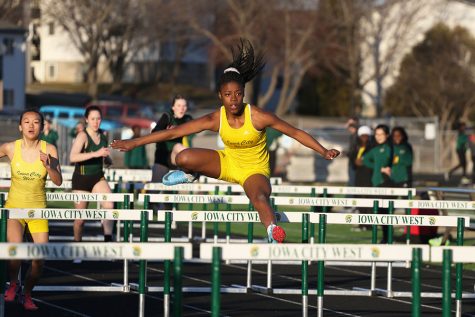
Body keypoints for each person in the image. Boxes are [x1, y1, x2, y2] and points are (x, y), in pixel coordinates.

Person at [111, 39, 340, 243]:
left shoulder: (258, 116)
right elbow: (172, 133)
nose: (234, 100)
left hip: (254, 170)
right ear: (220, 96)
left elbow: (295, 133)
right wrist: (134, 143)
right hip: (228, 162)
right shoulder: (215, 118)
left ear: (243, 93)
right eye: (228, 95)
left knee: (259, 197)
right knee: (183, 156)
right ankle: (191, 173)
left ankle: (272, 230)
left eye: (238, 94)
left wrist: (323, 151)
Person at [1, 109, 62, 311]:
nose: (31, 125)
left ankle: (26, 293)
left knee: (39, 260)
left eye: (36, 122)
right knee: (15, 249)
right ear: (20, 126)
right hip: (15, 209)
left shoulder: (50, 149)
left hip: (38, 211)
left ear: (42, 127)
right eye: (26, 122)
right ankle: (13, 284)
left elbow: (58, 181)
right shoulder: (11, 148)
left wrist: (48, 166)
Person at [70, 106, 114, 252]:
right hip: (81, 179)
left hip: (97, 177)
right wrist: (96, 154)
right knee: (80, 220)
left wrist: (107, 159)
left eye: (99, 118)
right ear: (87, 119)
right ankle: (77, 247)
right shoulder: (82, 136)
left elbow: (102, 153)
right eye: (93, 119)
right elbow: (73, 157)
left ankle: (108, 242)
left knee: (109, 205)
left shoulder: (103, 135)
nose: (96, 122)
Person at [151, 95, 193, 184]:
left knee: (178, 147)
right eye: (179, 106)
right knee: (154, 190)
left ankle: (194, 168)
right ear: (173, 107)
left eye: (184, 106)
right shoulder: (167, 116)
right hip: (162, 157)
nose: (182, 109)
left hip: (175, 158)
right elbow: (154, 132)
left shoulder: (187, 119)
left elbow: (201, 125)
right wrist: (167, 132)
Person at [362, 124, 392, 243]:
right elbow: (365, 160)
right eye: (376, 134)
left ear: (387, 135)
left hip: (388, 183)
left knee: (387, 212)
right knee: (380, 212)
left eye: (381, 134)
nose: (378, 137)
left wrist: (388, 169)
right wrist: (378, 168)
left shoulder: (390, 148)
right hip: (376, 183)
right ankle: (385, 238)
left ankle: (388, 238)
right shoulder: (375, 149)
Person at [351, 125, 373, 231]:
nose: (364, 138)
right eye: (362, 136)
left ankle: (368, 224)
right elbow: (353, 160)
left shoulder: (372, 148)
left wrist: (363, 162)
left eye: (366, 136)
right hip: (359, 176)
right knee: (359, 200)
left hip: (369, 177)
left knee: (368, 201)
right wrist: (355, 162)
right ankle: (361, 223)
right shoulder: (356, 147)